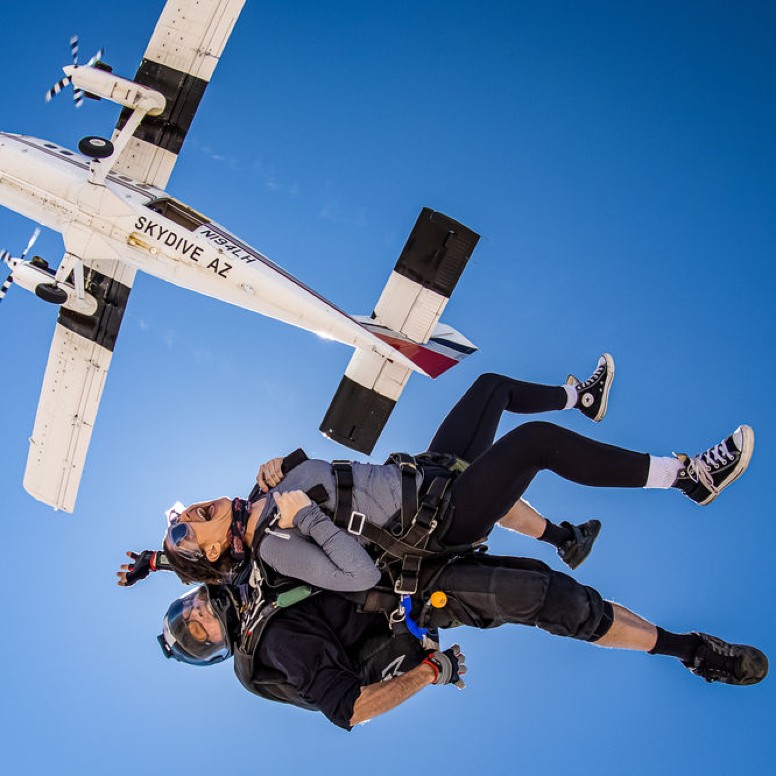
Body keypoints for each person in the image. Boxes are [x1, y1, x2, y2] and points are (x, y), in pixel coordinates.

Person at [142, 354, 754, 594]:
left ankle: (578, 399)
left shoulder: (260, 493)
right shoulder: (272, 549)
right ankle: (687, 475)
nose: (188, 516)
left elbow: (326, 477)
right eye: (184, 532)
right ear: (218, 550)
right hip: (437, 519)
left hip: (427, 474)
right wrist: (305, 519)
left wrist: (289, 460)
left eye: (181, 516)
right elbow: (354, 575)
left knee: (491, 387)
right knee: (533, 445)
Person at [157, 554, 768, 731]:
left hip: (403, 548)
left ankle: (562, 536)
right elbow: (351, 708)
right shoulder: (272, 644)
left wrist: (160, 558)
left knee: (554, 584)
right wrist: (433, 673)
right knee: (555, 603)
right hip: (416, 600)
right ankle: (693, 652)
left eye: (187, 610)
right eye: (196, 632)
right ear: (215, 647)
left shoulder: (242, 574)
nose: (199, 615)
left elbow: (212, 528)